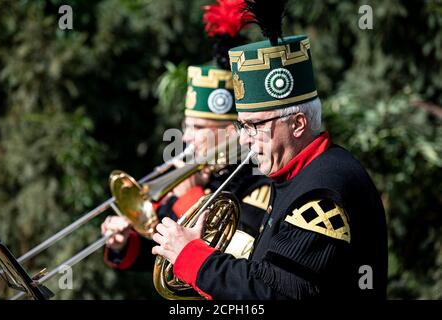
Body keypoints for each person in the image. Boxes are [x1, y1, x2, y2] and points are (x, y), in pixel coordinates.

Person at [151, 1, 388, 300]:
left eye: (255, 126)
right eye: (243, 126)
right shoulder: (296, 175)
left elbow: (276, 291)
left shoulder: (323, 189)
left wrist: (195, 258)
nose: (246, 139)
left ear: (298, 123)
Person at [101, 0, 270, 273]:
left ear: (230, 131)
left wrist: (191, 196)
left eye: (200, 128)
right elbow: (156, 251)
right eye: (187, 126)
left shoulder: (258, 179)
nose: (188, 137)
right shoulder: (191, 173)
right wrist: (124, 240)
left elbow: (243, 254)